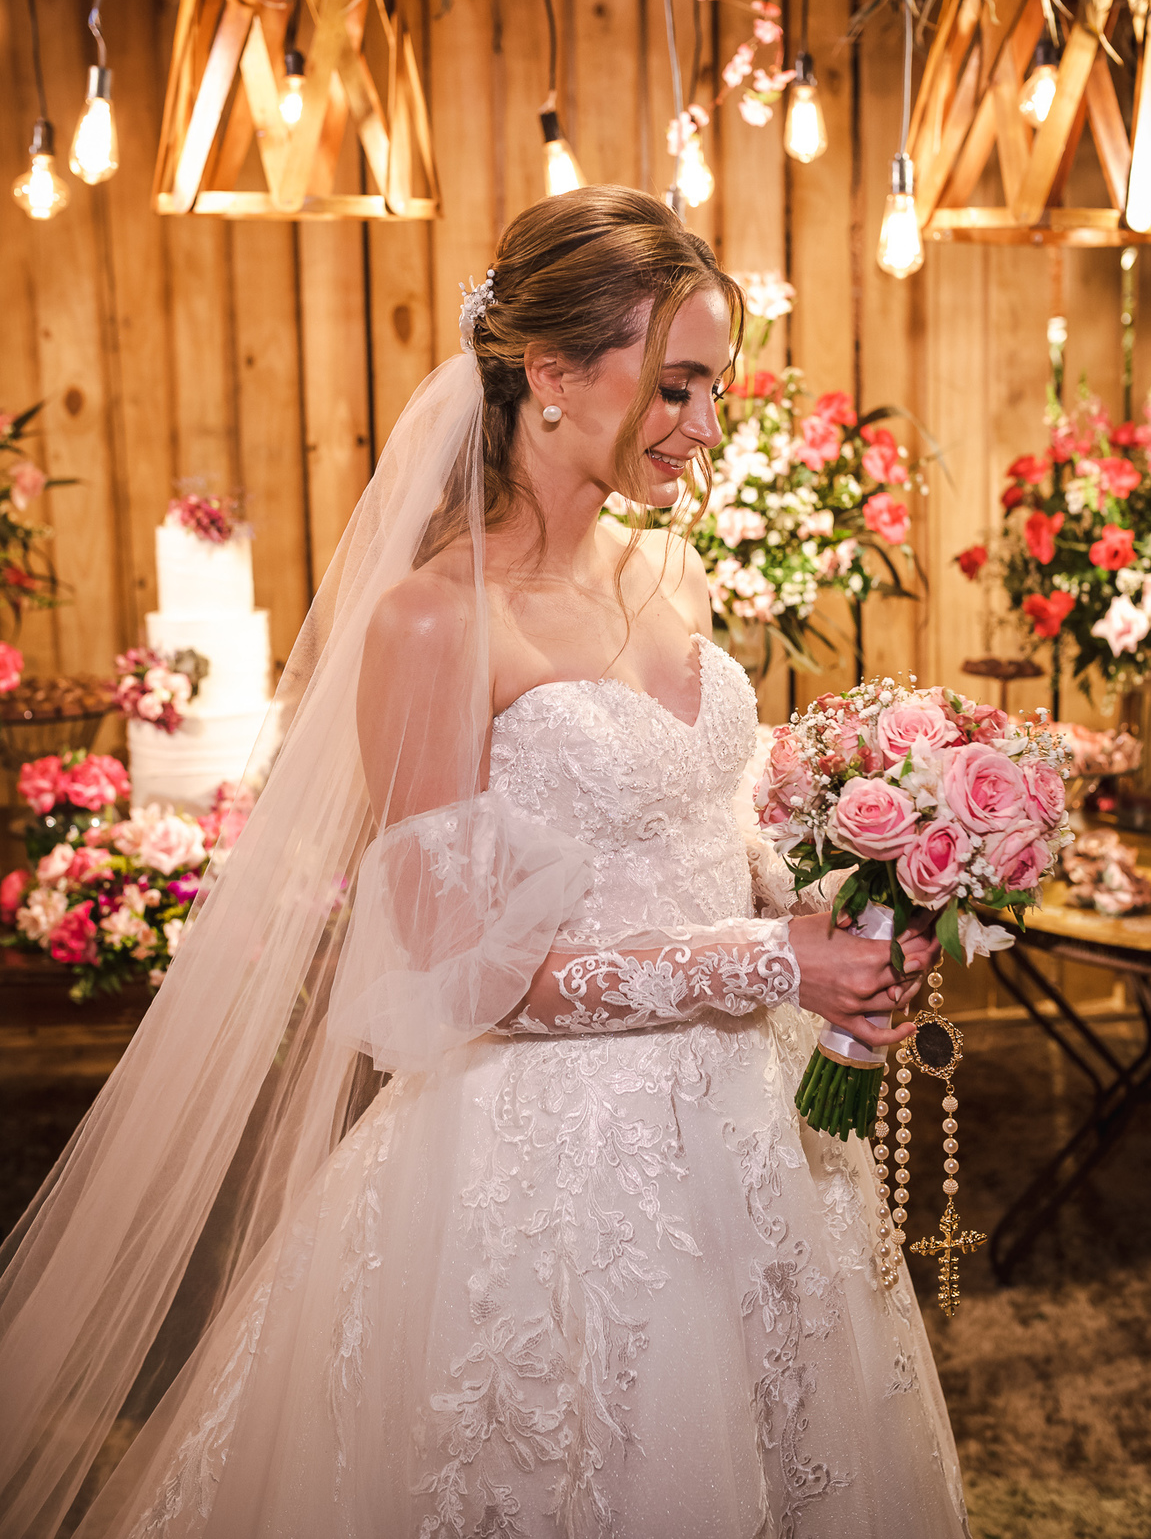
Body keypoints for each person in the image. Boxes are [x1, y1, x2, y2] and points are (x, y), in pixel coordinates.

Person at [0, 186, 969, 1539]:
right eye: (678, 386)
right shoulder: (431, 625)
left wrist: (839, 902)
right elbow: (454, 976)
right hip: (555, 1171)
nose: (704, 425)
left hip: (748, 1134)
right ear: (550, 370)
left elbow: (695, 826)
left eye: (714, 388)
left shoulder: (666, 575)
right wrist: (770, 959)